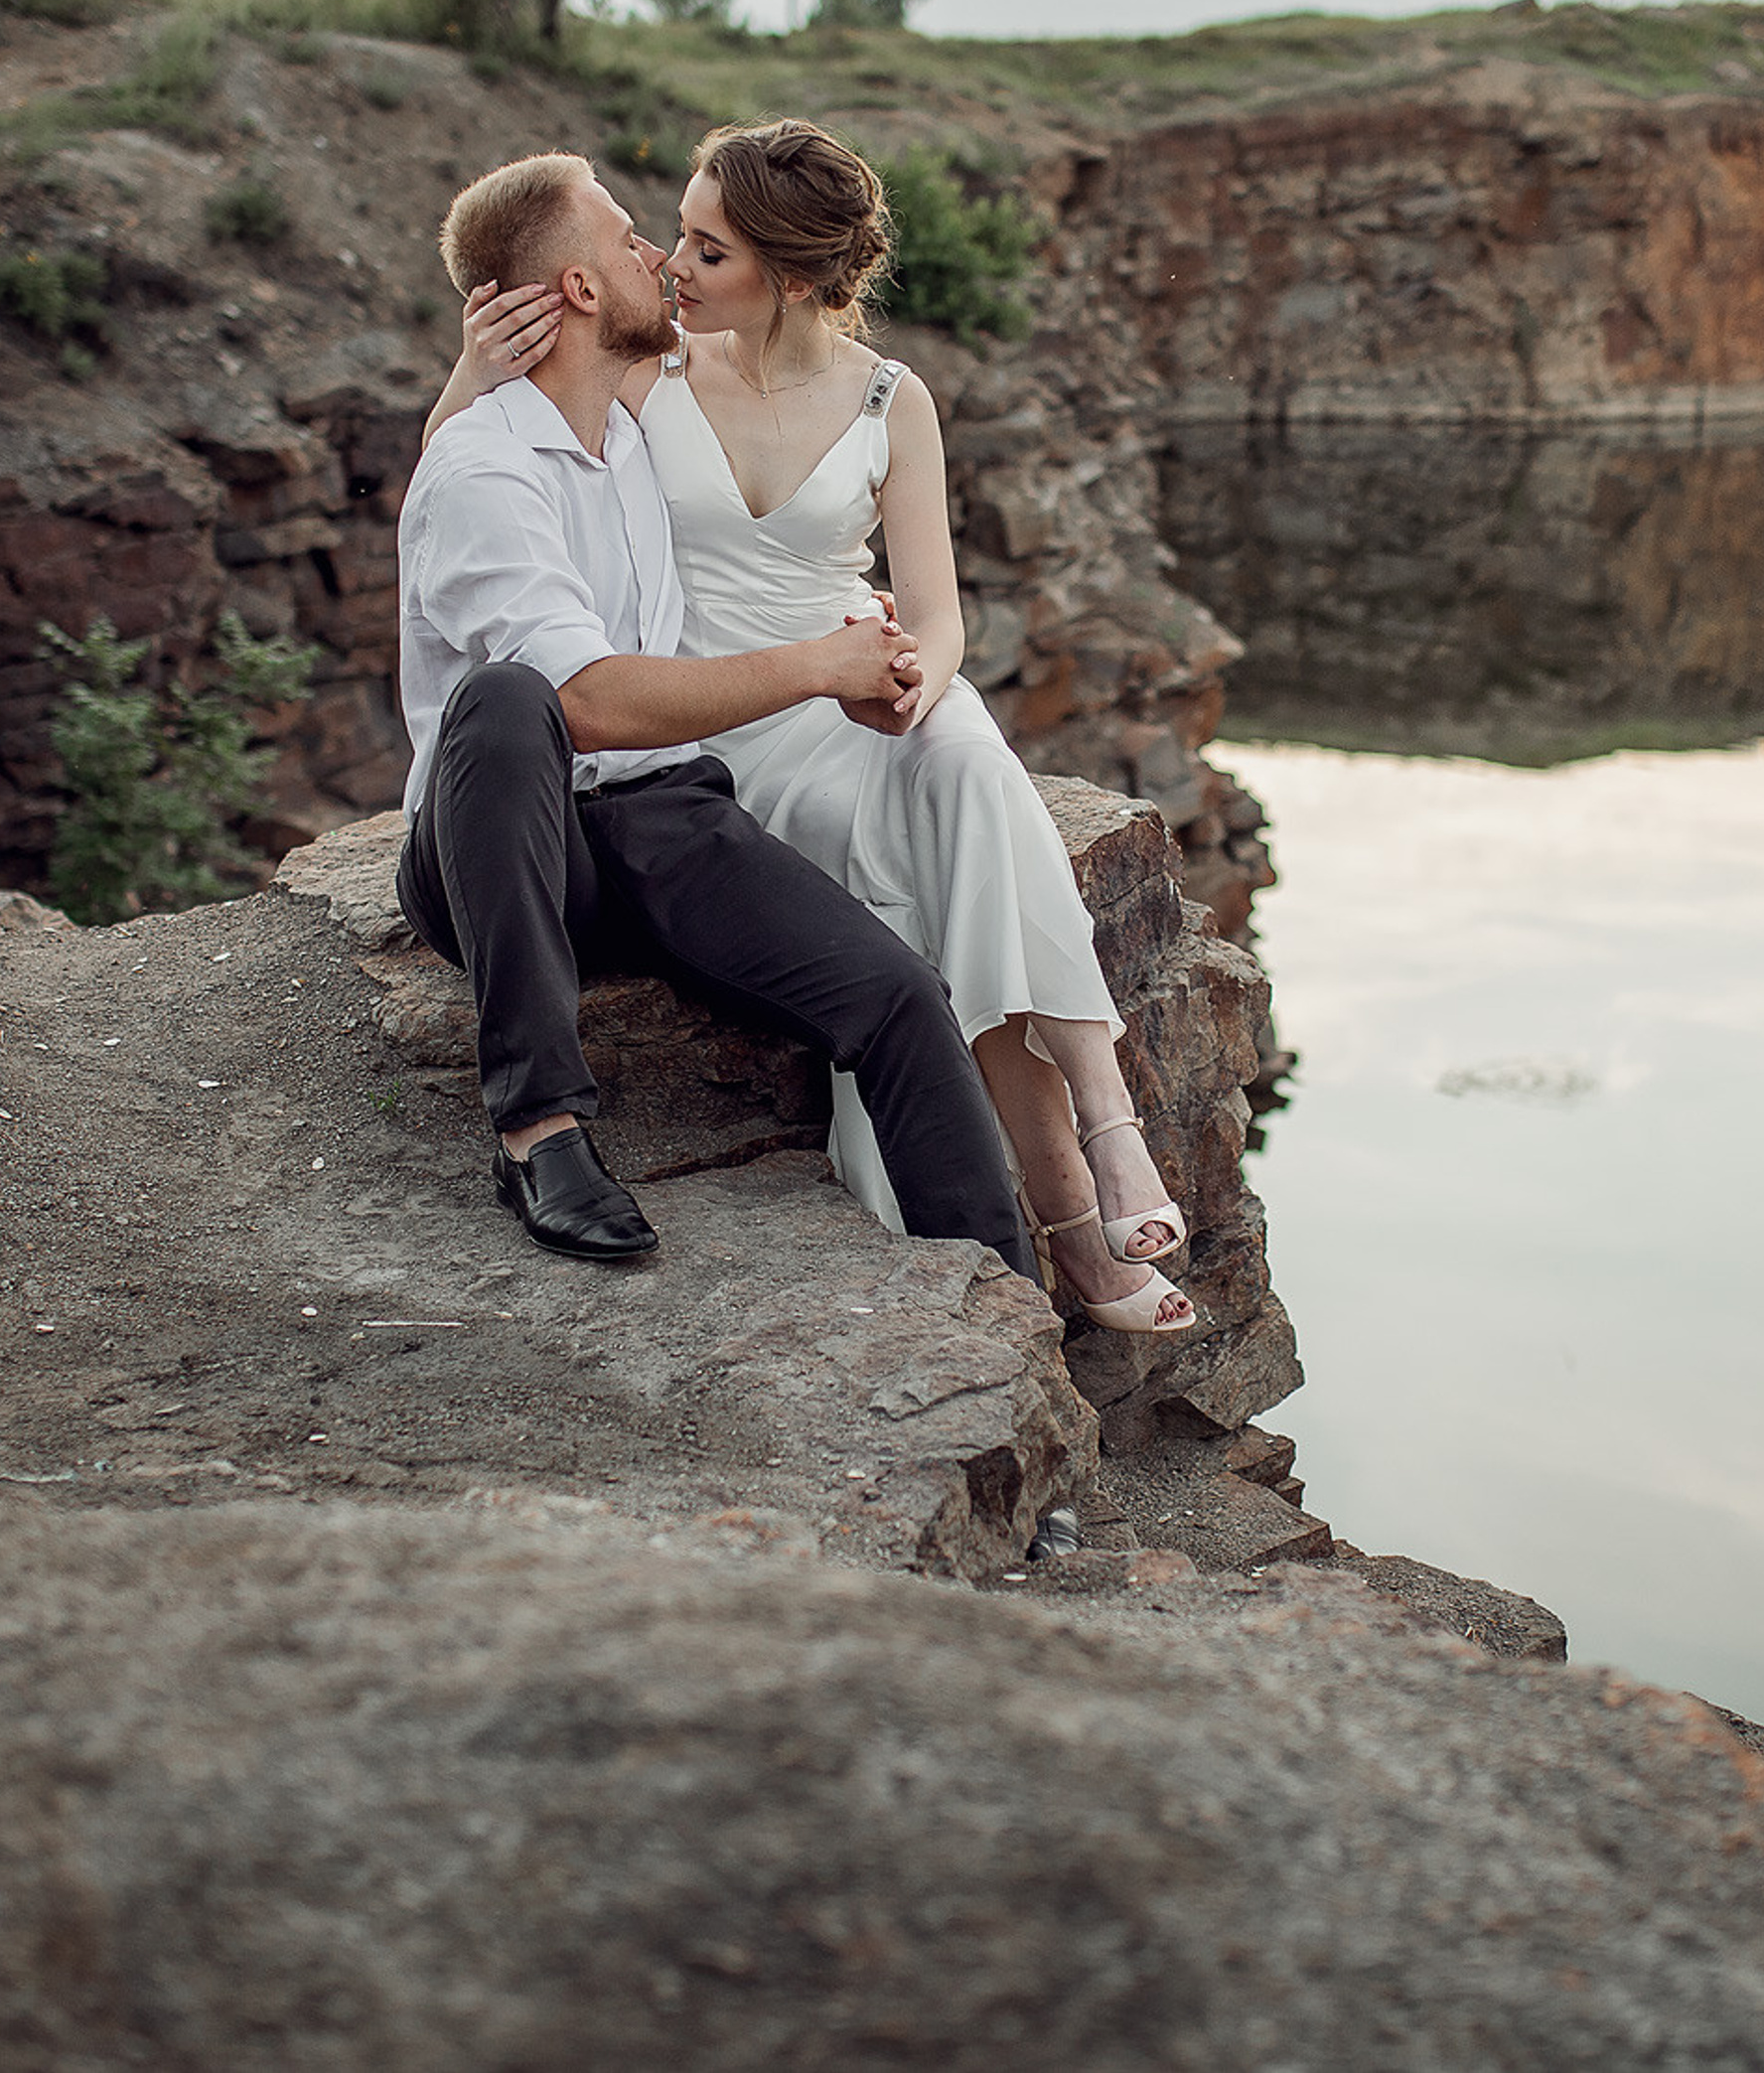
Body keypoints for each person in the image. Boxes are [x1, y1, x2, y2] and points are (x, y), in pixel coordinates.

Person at [421, 121, 1195, 1337]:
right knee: (520, 702)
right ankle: (542, 1130)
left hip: (752, 745)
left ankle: (1034, 1285)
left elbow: (931, 613)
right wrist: (471, 371)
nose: (666, 260)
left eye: (695, 242)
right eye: (650, 237)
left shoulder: (798, 399)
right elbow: (497, 532)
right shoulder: (613, 394)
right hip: (621, 773)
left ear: (784, 275)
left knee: (932, 873)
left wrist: (887, 668)